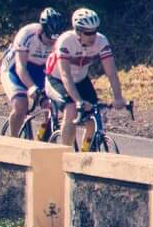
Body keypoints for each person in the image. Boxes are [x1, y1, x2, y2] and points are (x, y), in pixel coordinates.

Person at [45, 7, 128, 136]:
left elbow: (111, 72)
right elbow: (65, 75)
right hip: (58, 79)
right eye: (88, 33)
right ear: (78, 32)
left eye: (94, 32)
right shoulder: (65, 41)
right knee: (71, 109)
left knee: (95, 118)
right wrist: (78, 100)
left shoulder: (101, 41)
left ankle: (86, 154)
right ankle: (65, 154)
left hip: (81, 80)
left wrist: (118, 97)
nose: (92, 36)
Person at [0, 7, 61, 138]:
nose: (52, 42)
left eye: (54, 39)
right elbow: (20, 67)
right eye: (49, 38)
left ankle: (45, 137)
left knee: (51, 106)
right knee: (21, 106)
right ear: (41, 30)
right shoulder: (27, 34)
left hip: (40, 70)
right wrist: (32, 87)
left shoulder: (61, 40)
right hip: (15, 69)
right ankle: (13, 140)